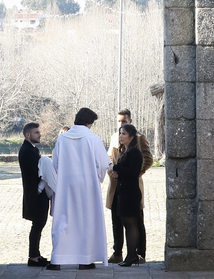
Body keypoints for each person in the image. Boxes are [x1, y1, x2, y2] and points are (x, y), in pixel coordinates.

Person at [50, 107, 110, 268]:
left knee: (64, 220)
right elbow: (104, 163)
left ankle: (58, 259)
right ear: (89, 123)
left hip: (66, 185)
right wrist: (97, 175)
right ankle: (85, 258)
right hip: (88, 185)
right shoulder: (93, 139)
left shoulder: (62, 139)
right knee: (86, 220)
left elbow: (55, 164)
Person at [107, 108, 154, 262]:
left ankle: (138, 254)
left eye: (124, 122)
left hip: (131, 186)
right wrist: (112, 172)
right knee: (117, 220)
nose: (121, 125)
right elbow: (110, 158)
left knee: (135, 221)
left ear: (130, 122)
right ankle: (118, 252)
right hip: (116, 187)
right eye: (119, 122)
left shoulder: (139, 139)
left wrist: (135, 174)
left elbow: (147, 159)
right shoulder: (115, 137)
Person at [17, 121, 55, 267]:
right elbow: (37, 172)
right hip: (35, 193)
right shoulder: (27, 151)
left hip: (36, 193)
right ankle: (33, 257)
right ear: (28, 135)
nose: (40, 134)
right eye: (36, 132)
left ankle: (35, 255)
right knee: (37, 224)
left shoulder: (31, 149)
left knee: (39, 224)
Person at [109, 123, 145, 266]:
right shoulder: (125, 150)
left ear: (131, 137)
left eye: (123, 134)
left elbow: (133, 172)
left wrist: (116, 167)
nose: (120, 136)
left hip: (130, 193)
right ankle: (130, 256)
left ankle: (132, 255)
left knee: (131, 224)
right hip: (123, 192)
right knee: (126, 223)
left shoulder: (134, 152)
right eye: (120, 133)